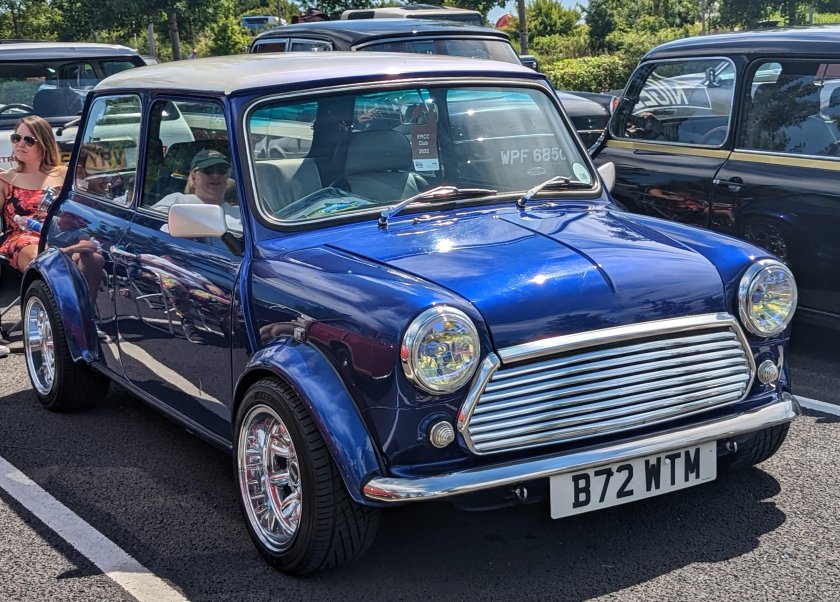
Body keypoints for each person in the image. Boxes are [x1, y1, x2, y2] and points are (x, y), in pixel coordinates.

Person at [0, 115, 67, 274]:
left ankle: (86, 299)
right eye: (16, 138)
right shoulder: (6, 179)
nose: (20, 144)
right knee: (41, 257)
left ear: (45, 144)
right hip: (23, 238)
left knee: (95, 258)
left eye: (28, 140)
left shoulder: (64, 175)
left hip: (62, 234)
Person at [152, 149, 241, 231]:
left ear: (227, 177)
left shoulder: (240, 213)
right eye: (208, 170)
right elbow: (152, 228)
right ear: (194, 177)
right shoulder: (177, 201)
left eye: (222, 170)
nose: (216, 175)